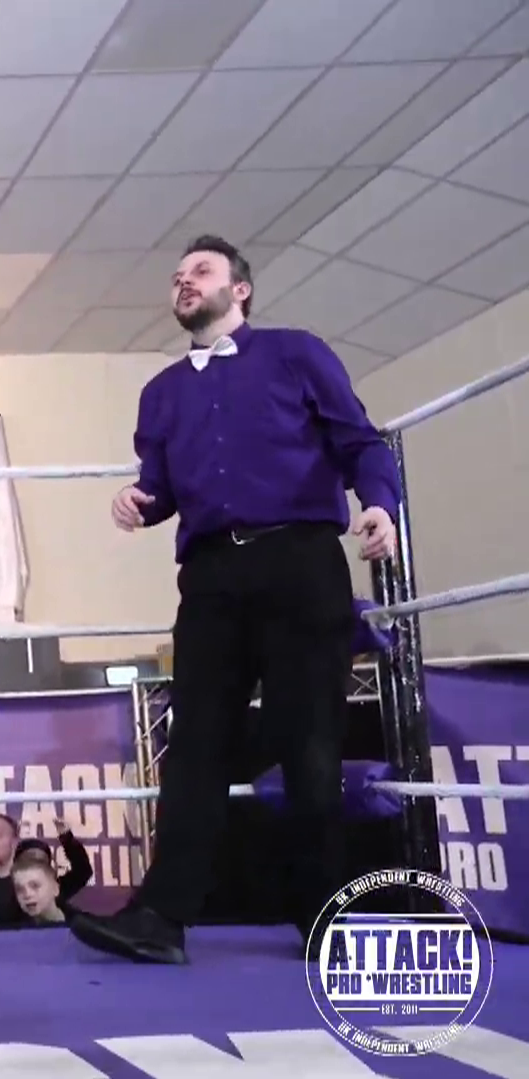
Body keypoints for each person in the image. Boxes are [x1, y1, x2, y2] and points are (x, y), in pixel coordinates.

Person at [75, 234, 398, 966]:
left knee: (309, 743)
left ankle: (326, 921)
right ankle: (161, 918)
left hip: (300, 560)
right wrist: (136, 500)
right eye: (177, 276)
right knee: (194, 743)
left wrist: (379, 504)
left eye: (201, 271)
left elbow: (359, 441)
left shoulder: (295, 353)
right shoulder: (162, 392)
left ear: (240, 289)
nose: (184, 282)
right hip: (212, 575)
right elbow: (160, 487)